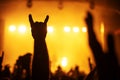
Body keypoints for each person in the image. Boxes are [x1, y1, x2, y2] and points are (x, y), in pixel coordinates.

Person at [29, 14, 50, 80]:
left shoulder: (37, 37)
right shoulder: (41, 37)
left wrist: (30, 20)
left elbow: (32, 25)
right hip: (41, 49)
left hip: (39, 48)